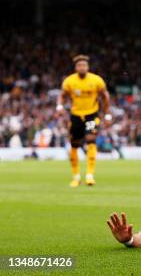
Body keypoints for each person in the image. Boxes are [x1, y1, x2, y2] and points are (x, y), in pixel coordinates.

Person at [57, 55, 111, 187]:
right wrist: (59, 106)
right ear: (76, 67)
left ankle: (89, 175)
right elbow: (62, 95)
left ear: (88, 67)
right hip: (75, 116)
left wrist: (107, 113)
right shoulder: (69, 81)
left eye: (84, 65)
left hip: (91, 115)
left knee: (91, 139)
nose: (82, 67)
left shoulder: (96, 80)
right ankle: (76, 177)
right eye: (79, 65)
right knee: (74, 144)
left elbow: (105, 95)